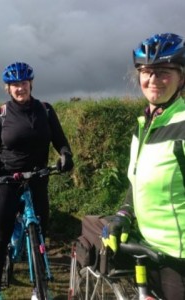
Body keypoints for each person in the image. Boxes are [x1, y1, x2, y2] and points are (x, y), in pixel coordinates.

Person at [102, 33, 185, 299]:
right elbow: (136, 180)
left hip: (178, 260)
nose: (153, 79)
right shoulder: (144, 125)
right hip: (148, 248)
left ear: (181, 77)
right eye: (146, 71)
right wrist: (124, 214)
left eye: (163, 72)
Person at [0, 62, 74, 300]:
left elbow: (60, 140)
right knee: (0, 236)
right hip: (8, 178)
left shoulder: (45, 110)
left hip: (37, 178)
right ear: (8, 88)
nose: (20, 88)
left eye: (23, 83)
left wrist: (65, 155)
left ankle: (40, 288)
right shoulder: (2, 113)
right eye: (15, 85)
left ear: (30, 83)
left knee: (41, 231)